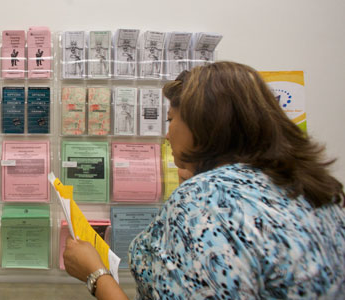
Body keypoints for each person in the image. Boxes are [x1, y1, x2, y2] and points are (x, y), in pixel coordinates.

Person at [63, 61, 345, 299]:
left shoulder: (204, 200)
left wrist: (96, 276)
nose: (166, 134)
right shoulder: (313, 190)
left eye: (171, 120)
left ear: (204, 126)